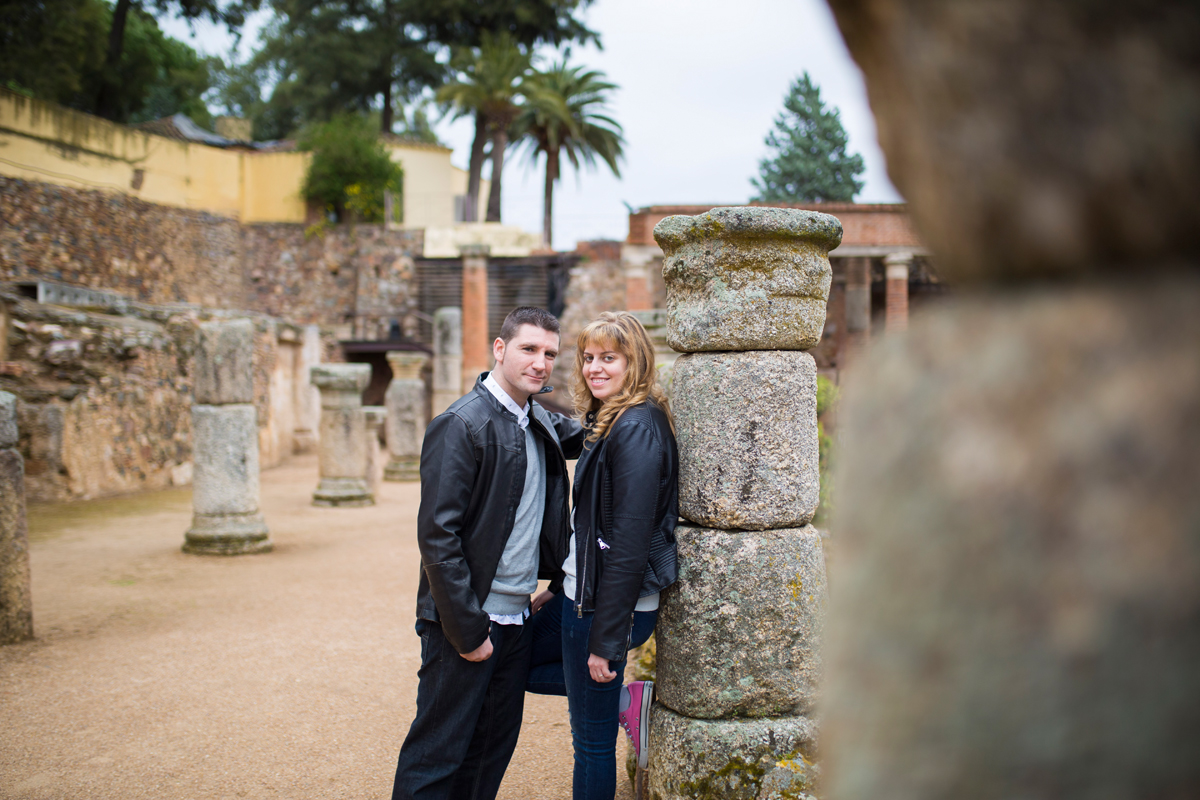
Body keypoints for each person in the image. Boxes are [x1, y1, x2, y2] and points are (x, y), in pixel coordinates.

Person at [392, 307, 586, 800]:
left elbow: (588, 434)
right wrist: (467, 630)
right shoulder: (460, 424)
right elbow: (438, 537)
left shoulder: (536, 418)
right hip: (466, 622)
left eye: (549, 353)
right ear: (500, 349)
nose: (540, 363)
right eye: (528, 349)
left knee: (488, 757)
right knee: (436, 757)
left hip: (517, 619)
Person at [526, 311, 680, 800]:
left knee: (590, 744)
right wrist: (558, 587)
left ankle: (609, 699)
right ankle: (618, 699)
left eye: (609, 358)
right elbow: (589, 529)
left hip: (604, 611)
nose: (595, 368)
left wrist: (607, 642)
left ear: (634, 362)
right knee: (508, 662)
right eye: (589, 358)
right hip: (580, 596)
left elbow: (630, 542)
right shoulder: (611, 418)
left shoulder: (636, 428)